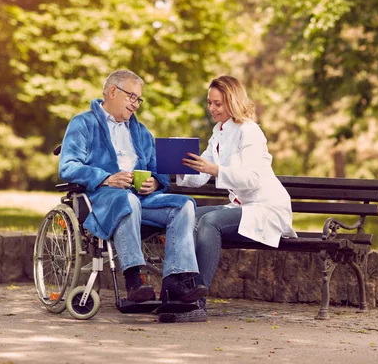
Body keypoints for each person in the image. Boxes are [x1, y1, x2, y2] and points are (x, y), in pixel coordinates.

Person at [58, 69, 207, 306]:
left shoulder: (141, 131)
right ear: (113, 91)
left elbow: (158, 169)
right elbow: (68, 167)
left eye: (139, 99)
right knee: (128, 201)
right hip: (104, 200)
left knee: (184, 205)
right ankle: (134, 278)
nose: (136, 104)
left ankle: (177, 280)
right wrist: (107, 178)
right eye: (132, 97)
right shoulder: (83, 123)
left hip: (141, 199)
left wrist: (156, 182)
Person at [158, 75, 297, 323]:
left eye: (218, 104)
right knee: (184, 215)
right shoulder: (218, 133)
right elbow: (200, 175)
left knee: (210, 221)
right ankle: (177, 291)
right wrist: (180, 167)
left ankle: (196, 300)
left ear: (232, 102)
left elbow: (252, 179)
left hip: (265, 209)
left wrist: (215, 170)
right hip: (240, 208)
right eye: (210, 103)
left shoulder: (250, 132)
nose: (212, 108)